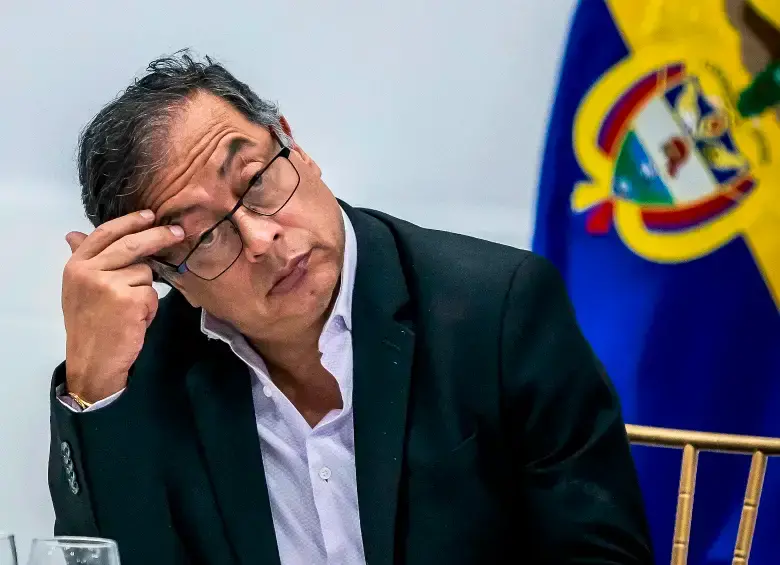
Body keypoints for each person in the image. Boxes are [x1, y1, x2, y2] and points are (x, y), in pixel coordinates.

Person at [50, 51, 653, 565]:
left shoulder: (496, 310)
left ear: (295, 146)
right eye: (205, 237)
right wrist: (94, 388)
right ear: (163, 273)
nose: (261, 239)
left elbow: (600, 554)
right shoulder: (148, 376)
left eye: (256, 180)